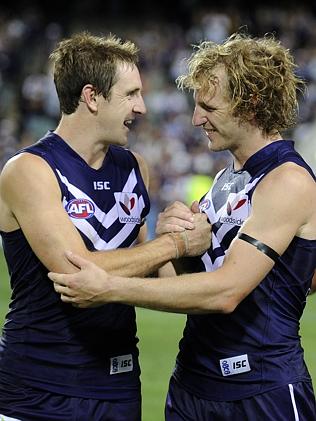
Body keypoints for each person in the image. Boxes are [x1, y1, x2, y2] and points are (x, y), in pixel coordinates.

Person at [49, 33, 316, 420]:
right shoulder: (228, 178)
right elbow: (196, 278)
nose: (196, 119)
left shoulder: (288, 180)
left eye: (209, 107)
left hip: (258, 391)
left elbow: (226, 292)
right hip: (193, 385)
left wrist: (110, 288)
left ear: (252, 106)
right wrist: (179, 243)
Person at [0, 31, 211, 421]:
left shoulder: (135, 168)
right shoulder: (29, 170)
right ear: (91, 96)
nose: (143, 107)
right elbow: (78, 273)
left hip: (118, 387)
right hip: (38, 391)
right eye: (131, 94)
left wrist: (186, 240)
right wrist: (174, 245)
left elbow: (149, 273)